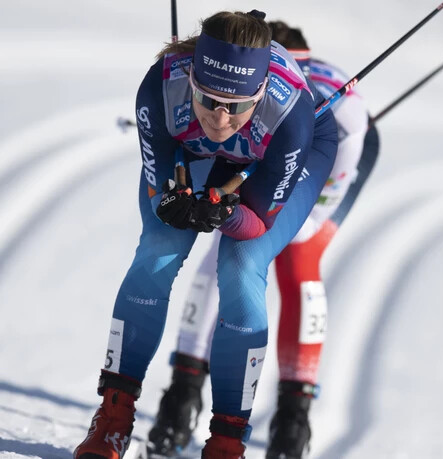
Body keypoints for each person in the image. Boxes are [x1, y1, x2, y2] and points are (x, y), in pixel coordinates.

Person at [73, 10, 339, 459]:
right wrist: (175, 203)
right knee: (158, 249)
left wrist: (225, 216)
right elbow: (162, 191)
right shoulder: (159, 87)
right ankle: (113, 419)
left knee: (242, 265)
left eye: (236, 106)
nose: (220, 117)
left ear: (257, 96)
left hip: (281, 152)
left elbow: (257, 221)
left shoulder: (289, 114)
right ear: (191, 80)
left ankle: (226, 443)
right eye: (208, 99)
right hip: (190, 149)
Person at [146, 21, 381, 459]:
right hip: (268, 144)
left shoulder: (341, 111)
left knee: (298, 256)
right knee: (225, 250)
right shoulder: (246, 96)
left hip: (335, 155)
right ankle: (183, 395)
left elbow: (307, 221)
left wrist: (264, 220)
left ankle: (293, 418)